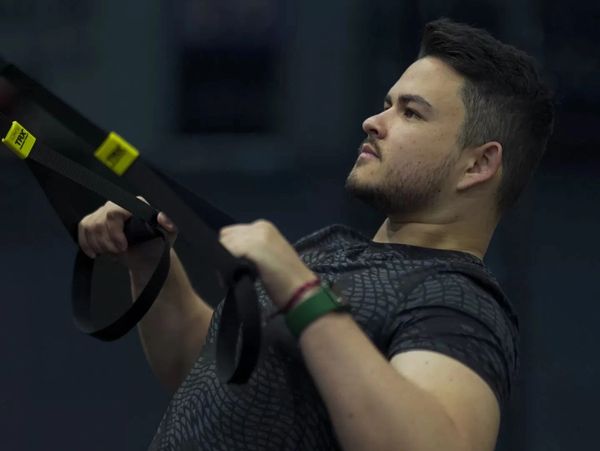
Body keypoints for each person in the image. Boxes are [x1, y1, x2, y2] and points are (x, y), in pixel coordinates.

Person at [78, 18, 554, 451]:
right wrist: (150, 258)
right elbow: (202, 372)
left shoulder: (458, 301)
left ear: (479, 164)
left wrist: (303, 292)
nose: (374, 121)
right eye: (386, 104)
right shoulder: (331, 248)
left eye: (410, 112)